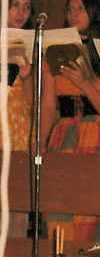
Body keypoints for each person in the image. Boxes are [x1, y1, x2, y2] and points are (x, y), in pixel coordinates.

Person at [43, 0, 100, 246]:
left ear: (93, 12)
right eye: (70, 9)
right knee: (59, 209)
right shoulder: (54, 51)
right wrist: (39, 142)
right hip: (65, 134)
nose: (74, 14)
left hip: (99, 134)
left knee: (95, 210)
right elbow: (48, 105)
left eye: (80, 8)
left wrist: (84, 84)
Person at [2, 0, 34, 151]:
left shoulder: (29, 43)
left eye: (27, 7)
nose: (22, 13)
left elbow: (30, 101)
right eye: (15, 5)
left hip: (18, 122)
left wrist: (26, 76)